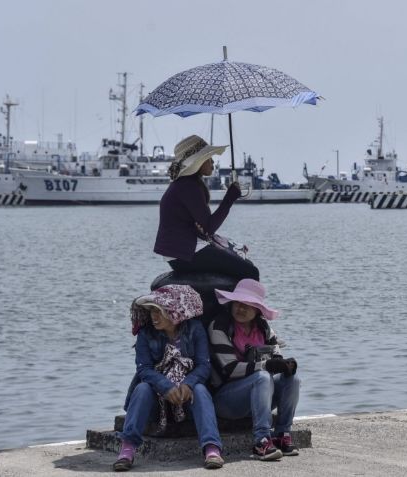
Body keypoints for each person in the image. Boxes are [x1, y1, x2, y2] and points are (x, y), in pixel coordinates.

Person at [115, 284, 224, 471]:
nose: (153, 316)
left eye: (159, 311)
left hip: (186, 399)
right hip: (157, 402)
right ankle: (127, 449)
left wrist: (188, 384)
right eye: (151, 311)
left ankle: (212, 448)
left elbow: (203, 365)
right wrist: (165, 387)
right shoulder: (145, 334)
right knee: (142, 388)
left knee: (199, 389)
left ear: (175, 312)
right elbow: (145, 369)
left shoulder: (195, 329)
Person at [207, 279, 300, 461]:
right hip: (226, 399)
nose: (241, 309)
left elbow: (276, 358)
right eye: (238, 303)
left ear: (257, 309)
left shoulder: (264, 328)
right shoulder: (219, 326)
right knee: (262, 377)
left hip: (261, 394)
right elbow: (229, 369)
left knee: (293, 380)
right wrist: (266, 366)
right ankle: (261, 441)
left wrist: (286, 366)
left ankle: (282, 434)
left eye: (247, 306)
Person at [154, 134, 260, 281]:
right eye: (208, 158)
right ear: (198, 162)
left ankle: (229, 303)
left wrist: (200, 228)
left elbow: (202, 226)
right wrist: (229, 198)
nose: (212, 162)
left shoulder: (187, 184)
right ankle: (241, 304)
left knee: (245, 264)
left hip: (181, 251)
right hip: (185, 252)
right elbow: (209, 227)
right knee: (251, 272)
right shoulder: (189, 186)